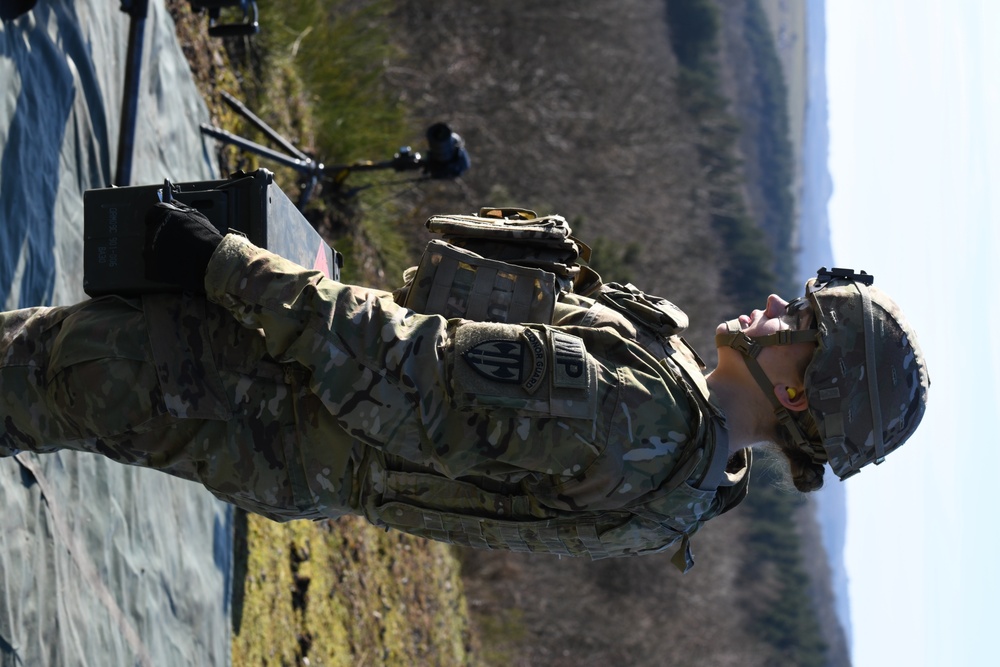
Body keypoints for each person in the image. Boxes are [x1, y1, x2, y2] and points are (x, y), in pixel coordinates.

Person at [0, 203, 929, 571]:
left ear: (804, 396)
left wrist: (227, 265)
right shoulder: (700, 477)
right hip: (289, 426)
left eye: (800, 326)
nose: (776, 305)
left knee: (41, 368)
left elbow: (401, 372)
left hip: (263, 397)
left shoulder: (642, 412)